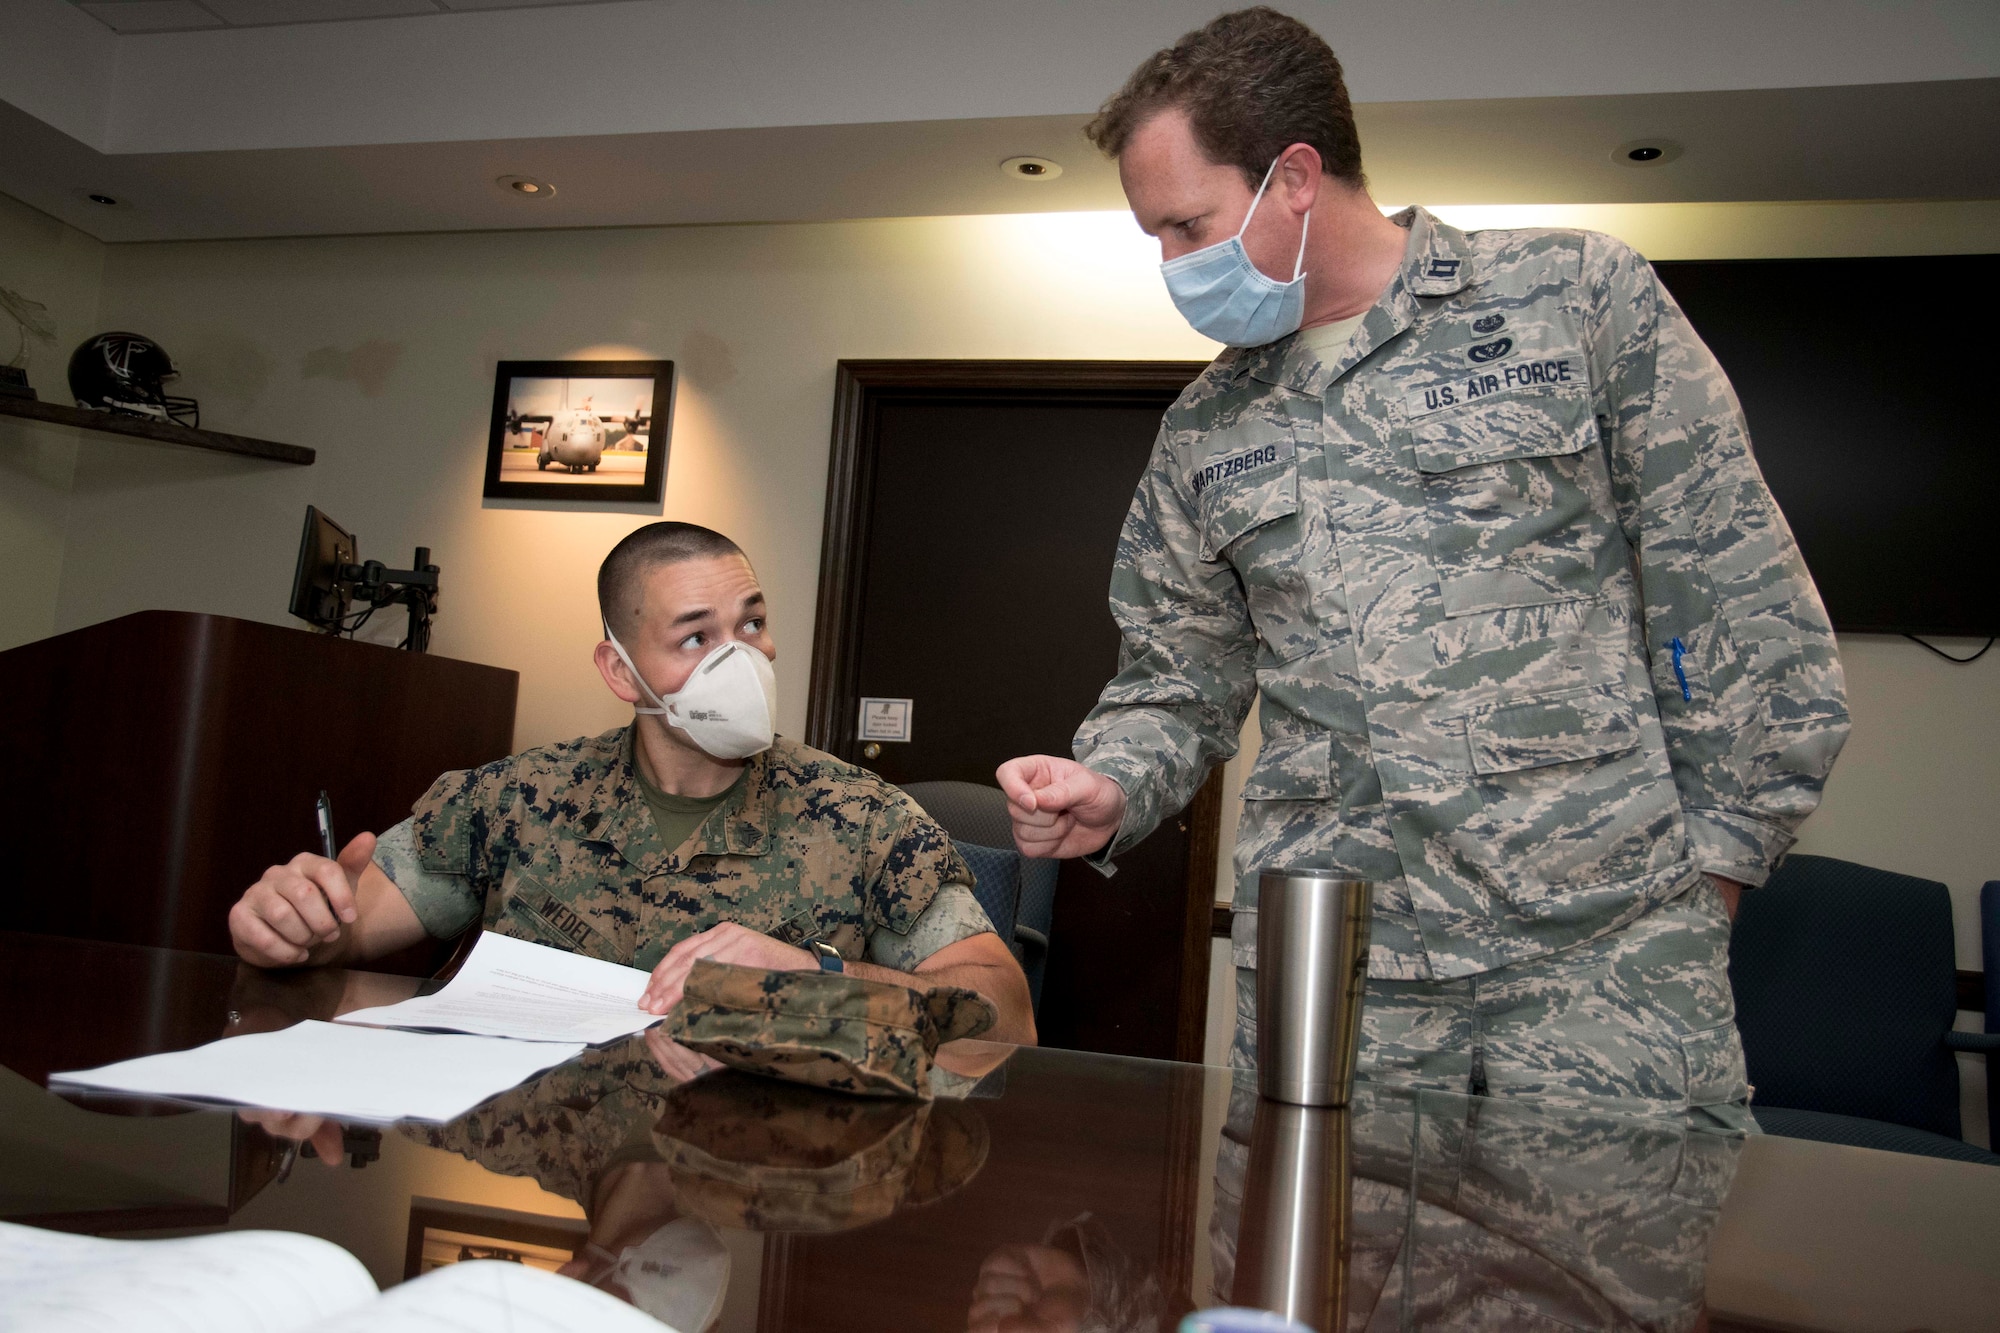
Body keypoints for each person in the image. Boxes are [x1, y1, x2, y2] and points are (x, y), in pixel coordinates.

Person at [997, 8, 1847, 1123]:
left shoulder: (1573, 299)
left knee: (1602, 1285)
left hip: (1596, 965)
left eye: (1185, 223)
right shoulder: (1207, 423)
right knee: (1313, 1277)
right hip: (1333, 969)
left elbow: (1734, 596)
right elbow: (1178, 672)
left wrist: (1714, 876)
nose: (1170, 263)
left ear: (1292, 177)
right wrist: (1109, 780)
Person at [229, 521, 1035, 1046]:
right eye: (696, 637)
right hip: (539, 1156)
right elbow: (347, 928)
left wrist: (820, 975)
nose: (742, 660)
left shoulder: (863, 818)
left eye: (752, 623)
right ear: (621, 669)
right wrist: (292, 922)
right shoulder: (515, 798)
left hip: (769, 1181)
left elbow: (1007, 1016)